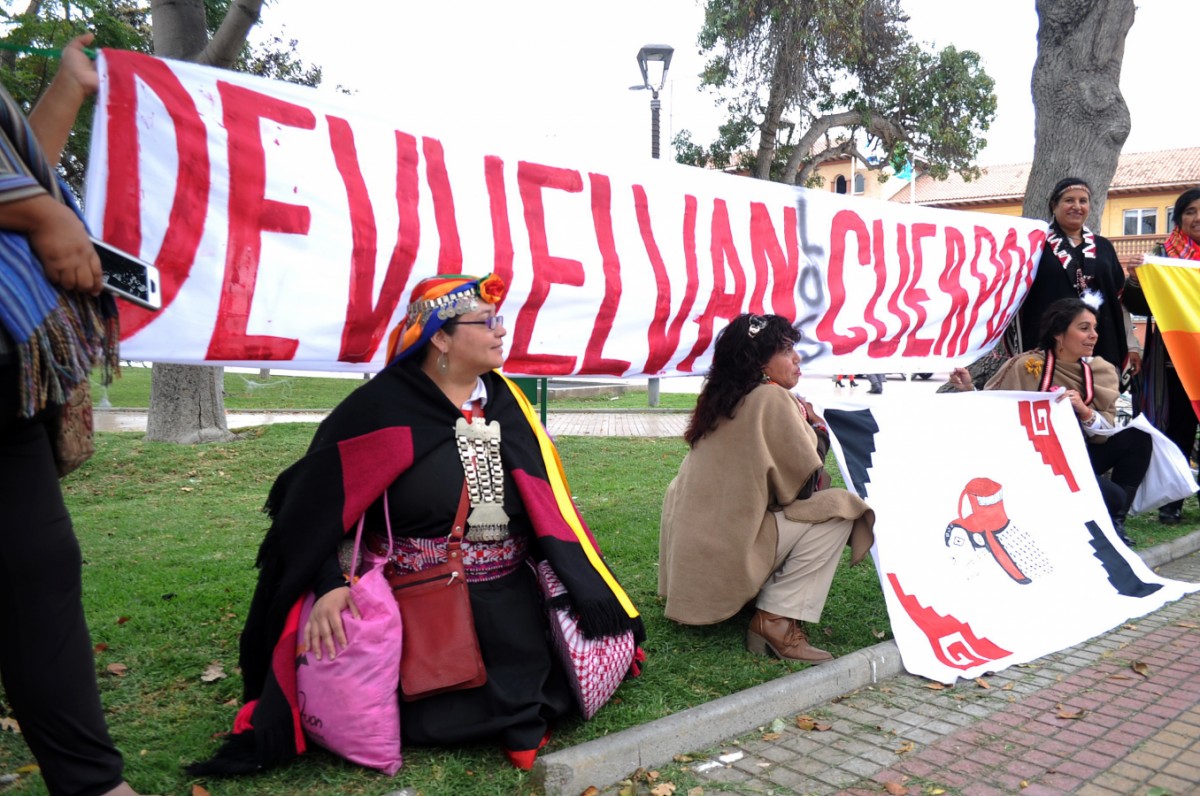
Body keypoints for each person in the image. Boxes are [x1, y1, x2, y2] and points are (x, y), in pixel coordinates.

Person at [189, 273, 644, 776]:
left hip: (510, 595)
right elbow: (317, 508)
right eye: (486, 322)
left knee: (536, 684)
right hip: (421, 599)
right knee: (436, 695)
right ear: (440, 337)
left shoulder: (508, 400)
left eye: (500, 321)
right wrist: (332, 583)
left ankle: (520, 703)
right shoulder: (380, 408)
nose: (500, 332)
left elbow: (546, 498)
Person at [0, 34, 147, 796]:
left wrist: (67, 90)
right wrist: (40, 218)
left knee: (39, 569)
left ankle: (92, 784)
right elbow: (22, 200)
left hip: (8, 384)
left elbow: (21, 173)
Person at [659, 314, 874, 664]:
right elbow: (806, 487)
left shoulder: (720, 396)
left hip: (694, 564)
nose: (797, 358)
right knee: (841, 510)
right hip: (728, 554)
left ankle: (750, 600)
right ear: (758, 360)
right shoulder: (771, 398)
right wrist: (817, 429)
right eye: (786, 350)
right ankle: (773, 621)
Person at [949, 298, 1151, 544]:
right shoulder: (1026, 365)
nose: (1094, 335)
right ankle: (1088, 512)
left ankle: (1114, 525)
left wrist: (1084, 411)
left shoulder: (1100, 370)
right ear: (1059, 333)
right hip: (1042, 464)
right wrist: (969, 388)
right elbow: (995, 413)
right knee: (1114, 497)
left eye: (1095, 328)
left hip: (1082, 455)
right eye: (1084, 328)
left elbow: (1105, 430)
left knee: (1138, 438)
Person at [1123, 186, 1200, 524]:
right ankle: (1174, 500)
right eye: (1190, 211)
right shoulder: (1161, 255)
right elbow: (1138, 306)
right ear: (1179, 219)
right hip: (1177, 356)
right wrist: (1138, 279)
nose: (1198, 218)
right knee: (1178, 427)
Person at [1013, 178, 1130, 374]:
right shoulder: (1035, 245)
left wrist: (1132, 344)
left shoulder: (1104, 247)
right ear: (1054, 205)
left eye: (1083, 201)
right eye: (1069, 200)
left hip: (1100, 342)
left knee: (1095, 399)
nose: (1077, 206)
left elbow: (1118, 298)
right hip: (1047, 343)